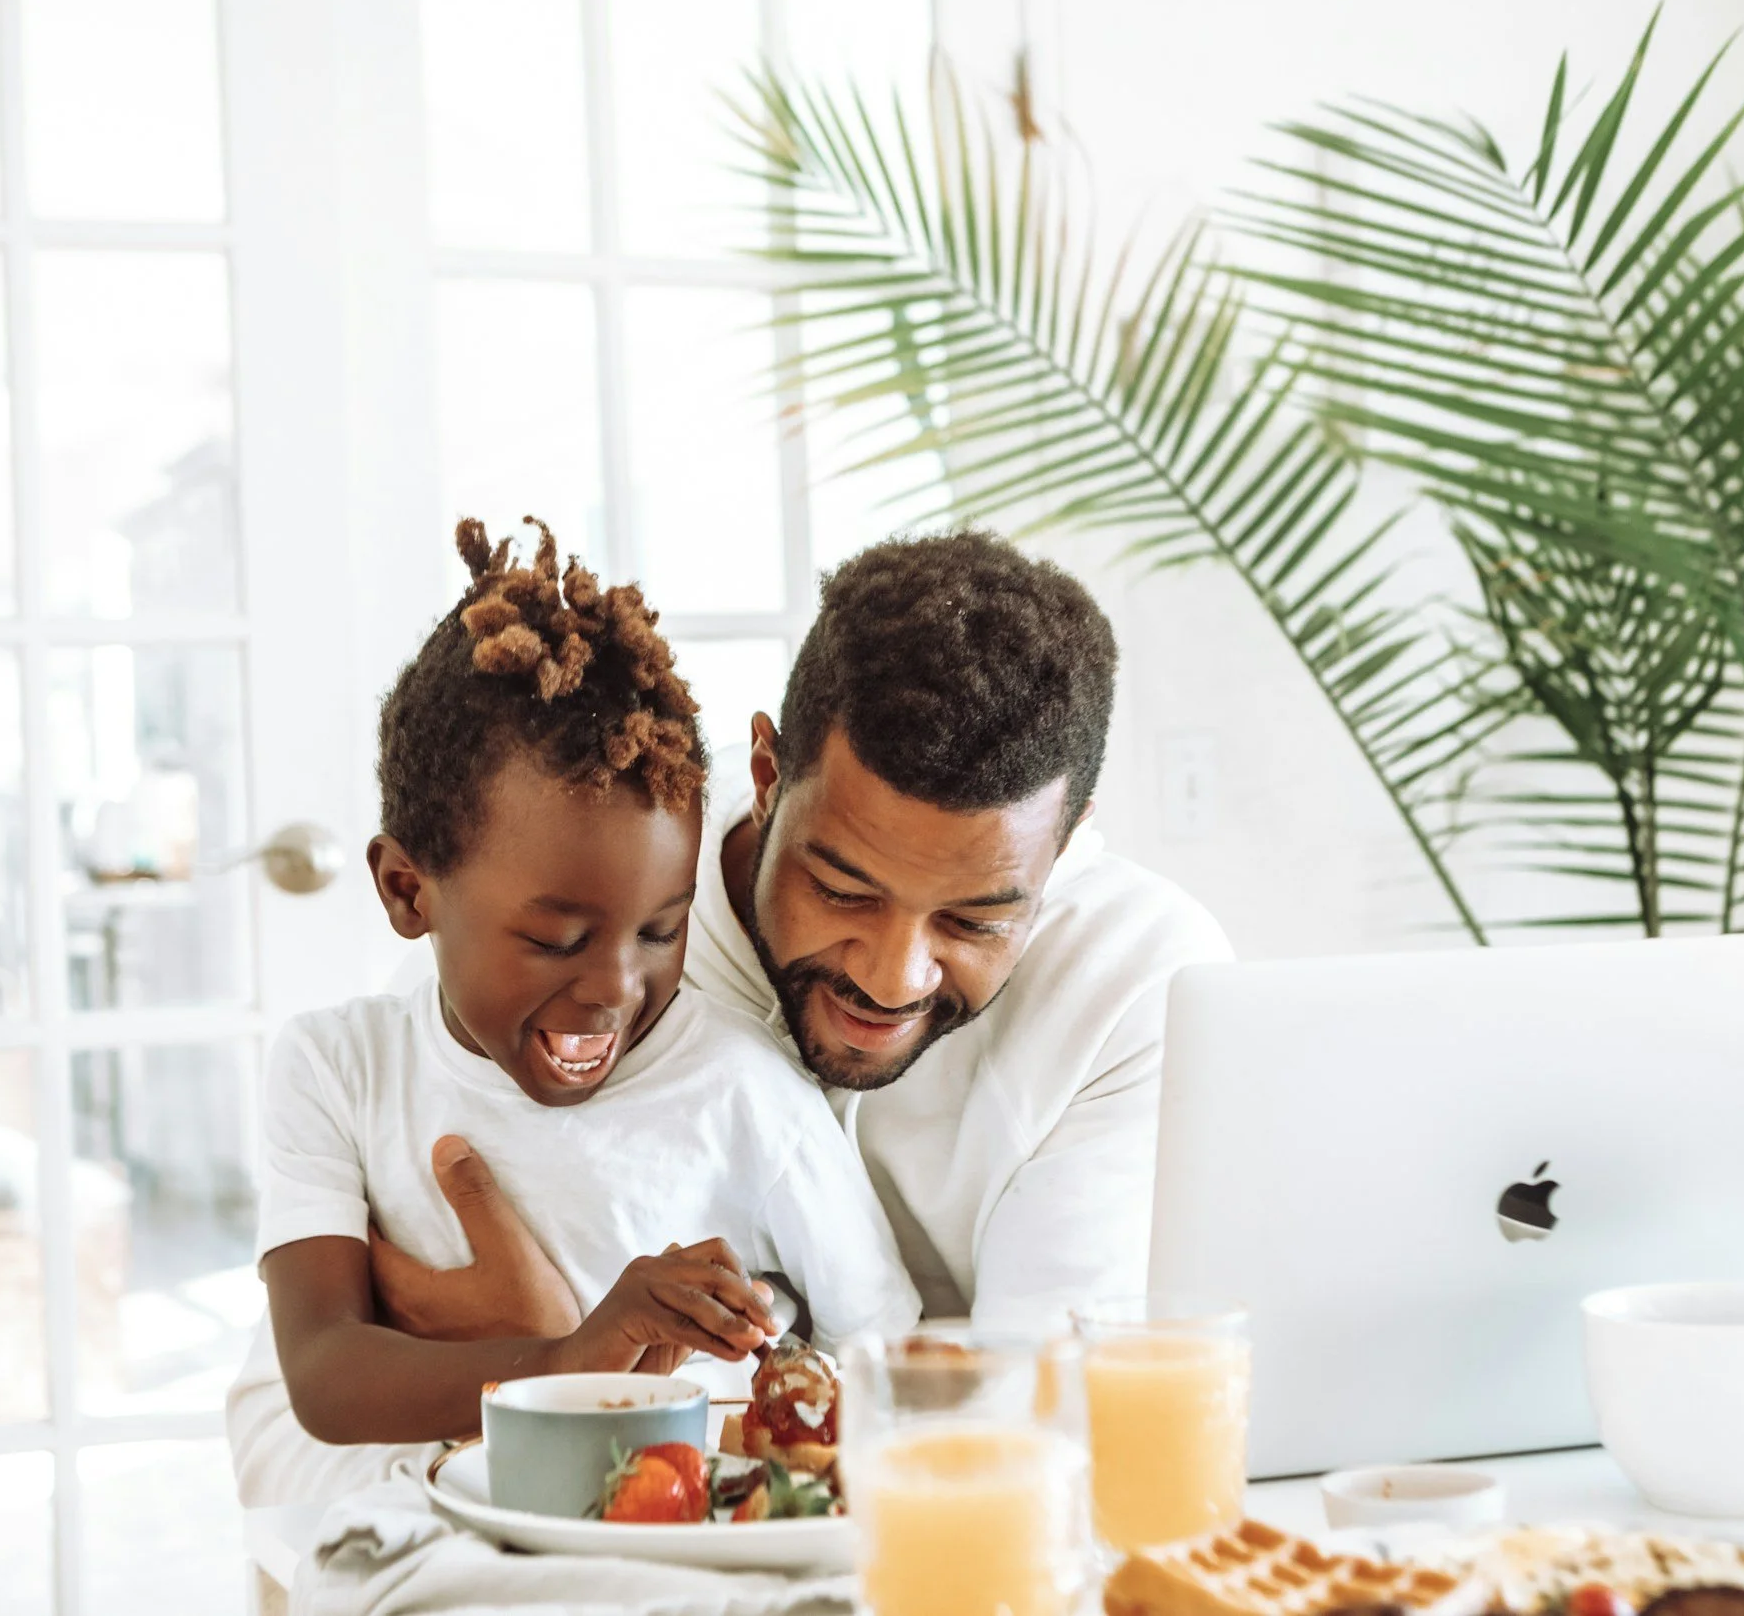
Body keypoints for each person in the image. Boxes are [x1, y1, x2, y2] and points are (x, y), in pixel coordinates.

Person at [370, 531, 1232, 1338]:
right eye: (843, 890)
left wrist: (567, 1366)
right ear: (766, 772)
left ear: (1068, 840)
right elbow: (287, 1425)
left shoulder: (1140, 982)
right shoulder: (586, 935)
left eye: (972, 920)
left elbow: (1052, 1413)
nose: (893, 979)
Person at [227, 520, 917, 1507]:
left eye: (659, 929)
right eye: (556, 938)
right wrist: (578, 1352)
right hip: (444, 1517)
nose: (613, 988)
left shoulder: (740, 1086)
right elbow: (327, 1375)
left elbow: (882, 1345)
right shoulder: (338, 1067)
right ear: (406, 891)